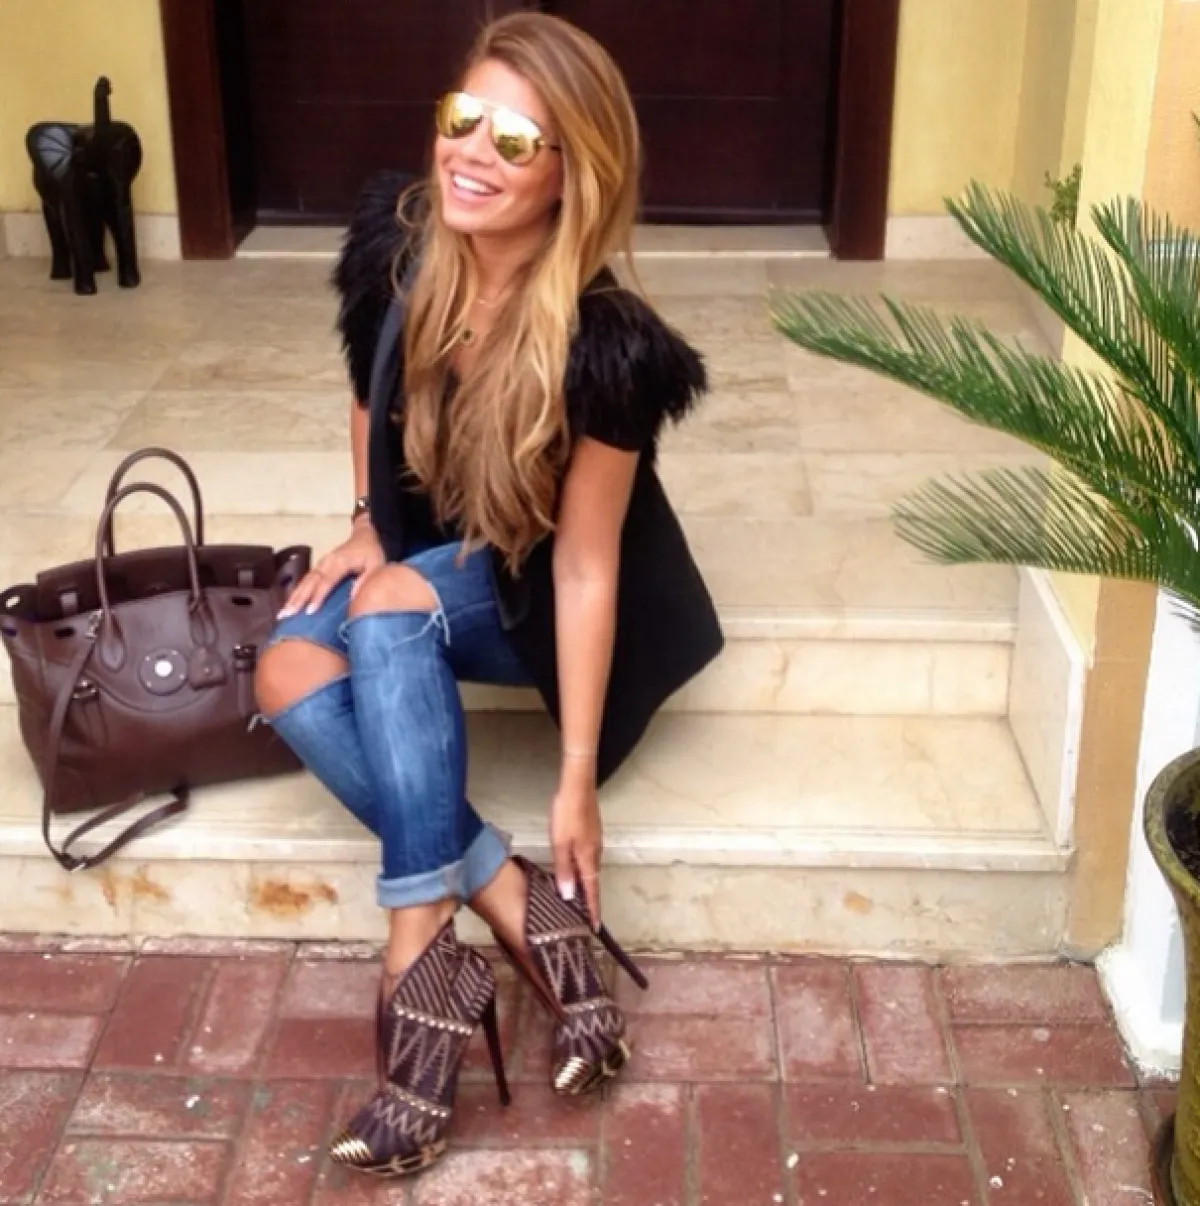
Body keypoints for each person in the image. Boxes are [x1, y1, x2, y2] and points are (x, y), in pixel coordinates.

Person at [254, 11, 722, 1179]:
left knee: (387, 609)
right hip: (432, 559)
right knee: (287, 666)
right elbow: (367, 393)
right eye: (465, 118)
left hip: (539, 593)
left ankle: (417, 959)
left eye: (515, 140)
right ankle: (517, 906)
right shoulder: (395, 249)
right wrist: (368, 517)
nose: (472, 152)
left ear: (572, 175)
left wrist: (575, 779)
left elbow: (586, 564)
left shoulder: (607, 345)